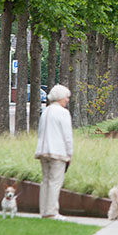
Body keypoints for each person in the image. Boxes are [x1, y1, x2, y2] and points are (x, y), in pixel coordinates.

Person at [35, 85, 73, 220]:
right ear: (61, 98)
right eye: (66, 97)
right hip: (58, 151)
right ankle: (52, 212)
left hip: (43, 151)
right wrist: (70, 153)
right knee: (55, 182)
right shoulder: (63, 113)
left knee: (45, 180)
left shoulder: (45, 112)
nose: (67, 100)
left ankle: (44, 211)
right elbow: (67, 135)